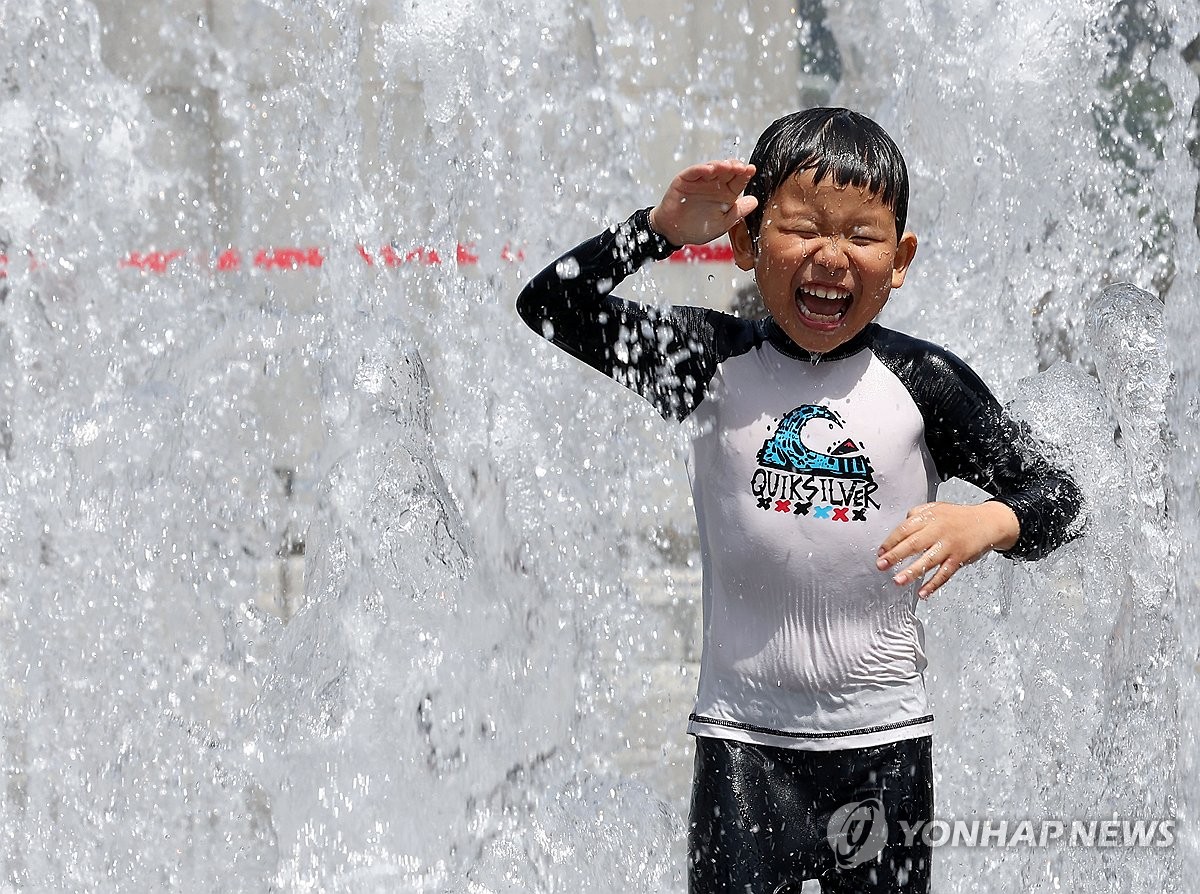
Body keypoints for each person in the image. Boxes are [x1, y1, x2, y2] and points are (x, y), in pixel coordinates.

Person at [515, 107, 1084, 894]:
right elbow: (550, 305)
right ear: (748, 244)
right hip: (743, 749)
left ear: (901, 258)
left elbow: (1062, 496)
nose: (830, 255)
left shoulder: (926, 385)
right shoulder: (708, 365)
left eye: (861, 235)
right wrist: (656, 230)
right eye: (803, 228)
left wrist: (989, 520)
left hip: (883, 749)